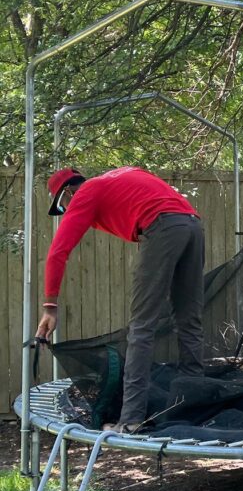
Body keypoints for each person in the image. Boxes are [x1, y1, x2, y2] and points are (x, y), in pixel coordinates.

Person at [37, 166, 205, 433]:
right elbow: (148, 196)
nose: (66, 212)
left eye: (62, 206)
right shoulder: (120, 175)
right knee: (189, 320)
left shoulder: (86, 192)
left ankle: (131, 421)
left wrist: (50, 306)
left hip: (162, 226)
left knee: (141, 327)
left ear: (68, 192)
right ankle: (196, 405)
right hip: (192, 224)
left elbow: (58, 251)